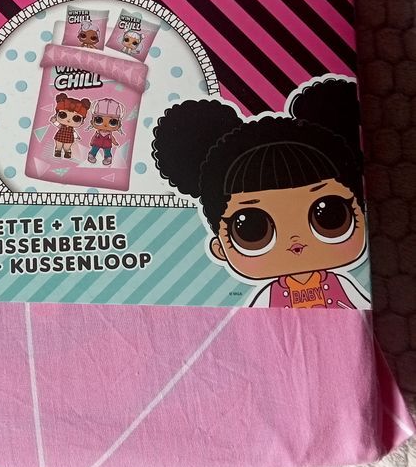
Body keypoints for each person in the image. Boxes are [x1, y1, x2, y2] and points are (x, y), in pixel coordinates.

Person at [152, 77, 370, 308]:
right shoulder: (265, 300)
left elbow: (359, 304)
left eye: (329, 217)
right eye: (253, 230)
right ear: (220, 248)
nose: (295, 243)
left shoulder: (341, 285)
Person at [87, 98, 125, 167]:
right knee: (94, 149)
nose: (105, 125)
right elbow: (94, 137)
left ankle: (108, 157)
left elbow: (112, 138)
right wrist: (92, 142)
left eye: (113, 122)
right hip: (97, 143)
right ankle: (92, 155)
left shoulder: (109, 134)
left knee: (107, 151)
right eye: (98, 120)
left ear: (119, 123)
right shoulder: (98, 132)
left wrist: (115, 142)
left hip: (107, 144)